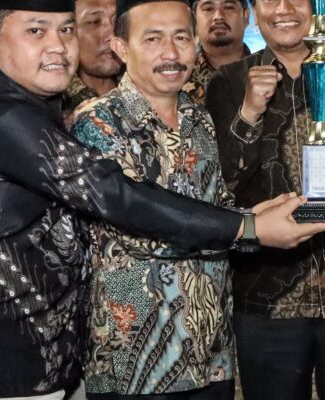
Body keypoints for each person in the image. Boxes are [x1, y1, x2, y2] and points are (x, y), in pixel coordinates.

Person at [0, 1, 325, 399]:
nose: (58, 45)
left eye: (65, 29)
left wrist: (247, 217)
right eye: (35, 30)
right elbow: (121, 204)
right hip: (27, 349)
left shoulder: (194, 117)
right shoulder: (11, 114)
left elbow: (205, 201)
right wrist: (247, 228)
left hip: (187, 347)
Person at [205, 0, 325, 398]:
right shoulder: (227, 82)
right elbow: (218, 187)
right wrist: (248, 113)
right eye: (270, 0)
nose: (283, 8)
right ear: (254, 11)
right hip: (267, 294)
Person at [72, 0, 244, 397]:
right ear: (121, 48)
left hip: (210, 350)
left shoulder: (198, 118)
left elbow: (216, 204)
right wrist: (249, 229)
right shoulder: (99, 123)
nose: (171, 53)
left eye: (181, 38)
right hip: (136, 360)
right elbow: (137, 230)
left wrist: (265, 216)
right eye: (153, 39)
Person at [63, 0, 123, 120]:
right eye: (94, 22)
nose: (112, 36)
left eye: (117, 21)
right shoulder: (52, 107)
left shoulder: (147, 86)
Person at [183, 0, 249, 105]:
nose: (218, 16)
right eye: (208, 9)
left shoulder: (269, 72)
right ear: (194, 19)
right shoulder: (177, 80)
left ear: (246, 17)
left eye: (228, 7)